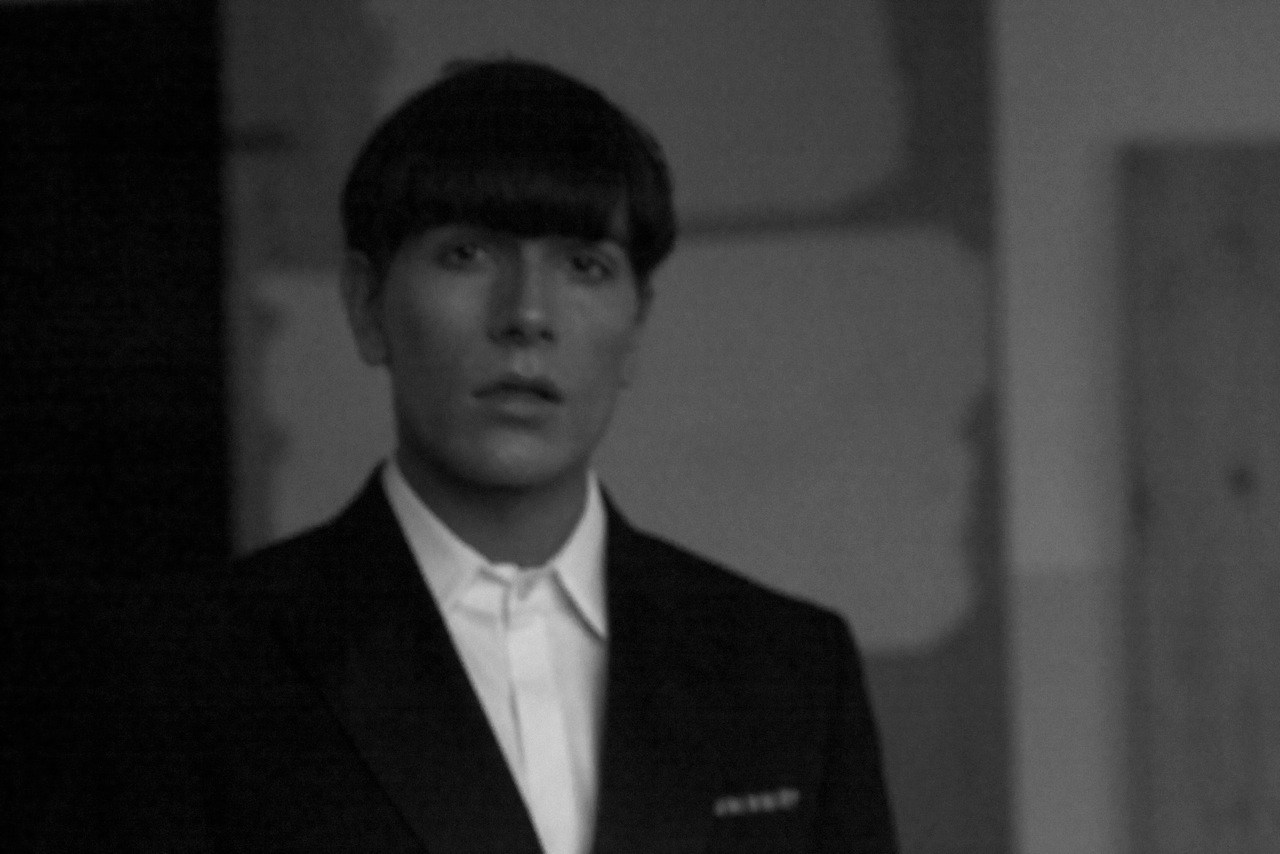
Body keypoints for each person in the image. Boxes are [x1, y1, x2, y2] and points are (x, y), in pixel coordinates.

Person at [101, 58, 899, 853]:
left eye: (584, 265)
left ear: (636, 326)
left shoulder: (788, 668)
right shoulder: (192, 670)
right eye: (467, 255)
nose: (526, 314)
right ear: (367, 304)